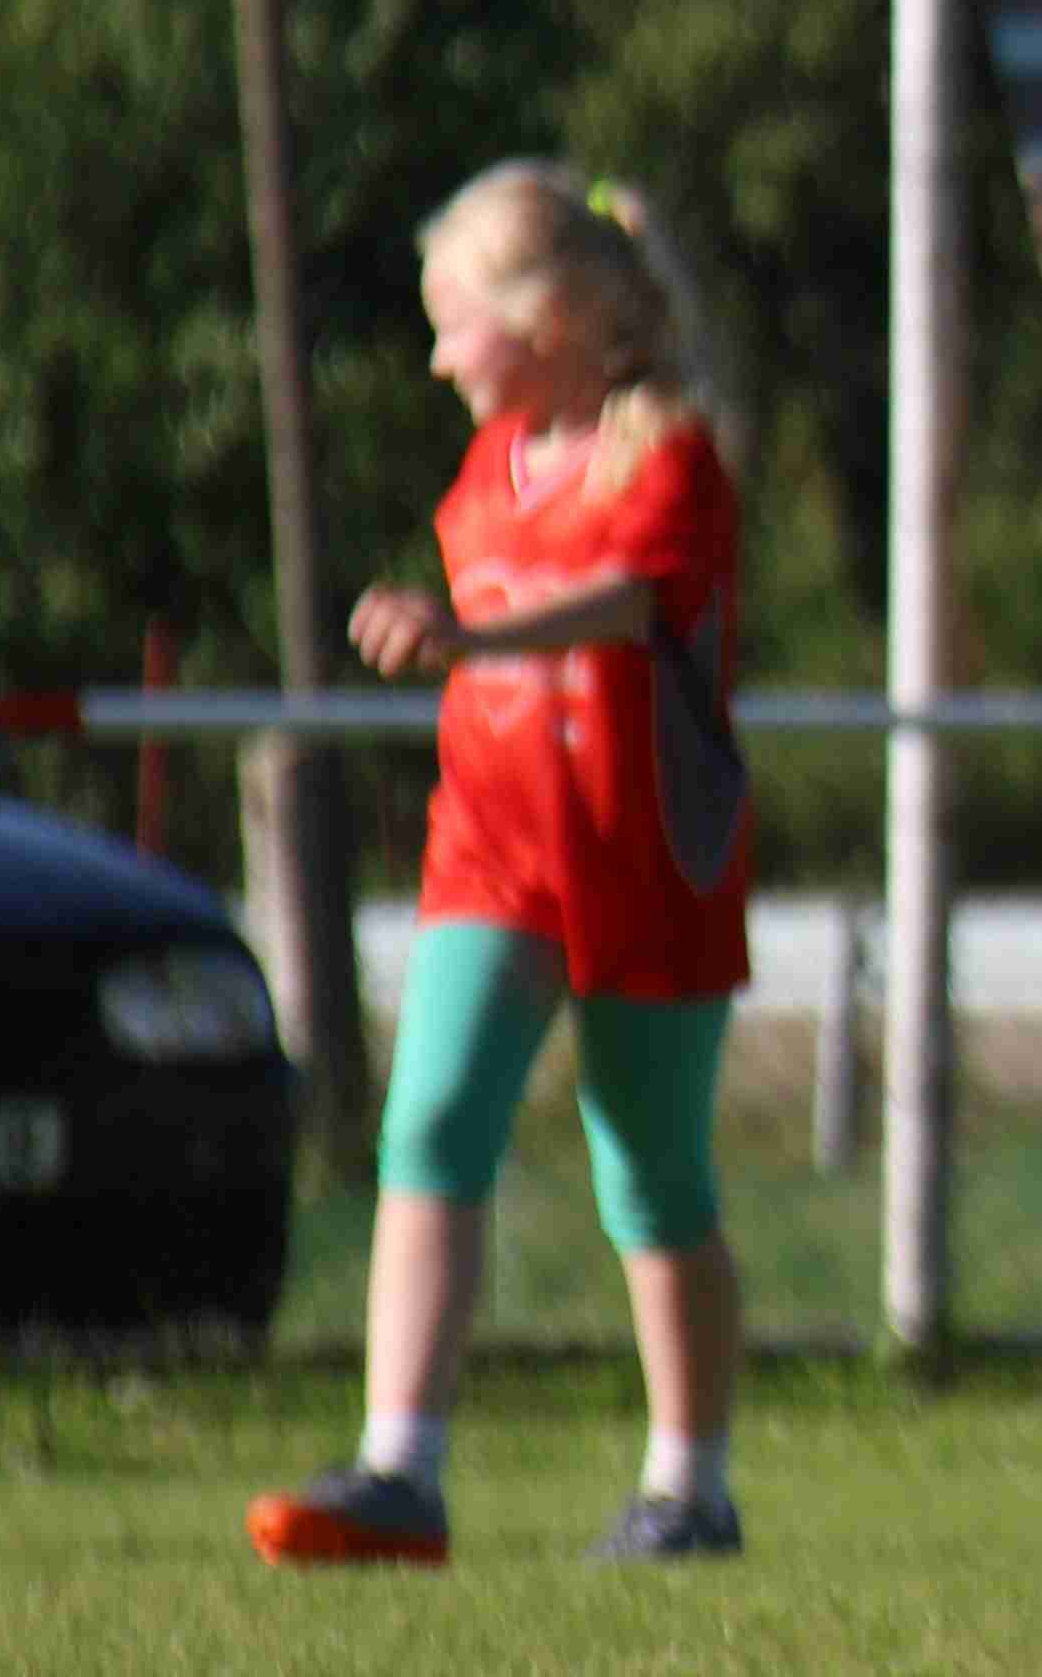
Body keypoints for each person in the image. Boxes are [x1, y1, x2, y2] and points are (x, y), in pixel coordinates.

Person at [247, 162, 756, 1570]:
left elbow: (632, 601)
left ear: (545, 320)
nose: (435, 357)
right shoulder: (488, 471)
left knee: (650, 1174)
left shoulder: (669, 458)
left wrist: (471, 639)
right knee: (430, 1128)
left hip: (647, 858)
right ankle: (399, 1473)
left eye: (451, 323)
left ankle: (690, 1491)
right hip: (495, 854)